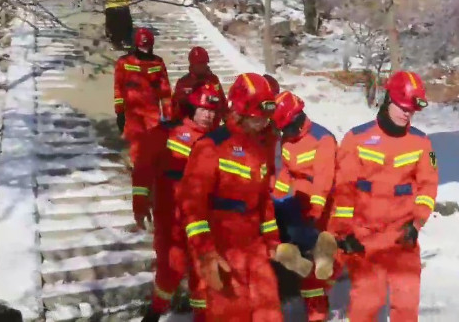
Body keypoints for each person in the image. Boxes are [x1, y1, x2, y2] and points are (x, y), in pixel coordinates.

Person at [177, 73, 312, 321]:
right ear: (240, 111)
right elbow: (192, 205)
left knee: (269, 310)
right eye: (257, 118)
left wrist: (272, 242)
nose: (263, 124)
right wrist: (205, 251)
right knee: (230, 313)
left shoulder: (258, 149)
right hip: (222, 246)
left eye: (265, 119)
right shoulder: (211, 146)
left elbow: (264, 204)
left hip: (254, 246)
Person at [328, 71, 439, 322]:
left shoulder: (421, 143)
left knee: (406, 304)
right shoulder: (357, 139)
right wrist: (343, 232)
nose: (406, 113)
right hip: (365, 236)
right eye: (402, 106)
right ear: (389, 99)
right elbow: (344, 188)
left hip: (403, 237)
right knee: (366, 303)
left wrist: (417, 223)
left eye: (411, 109)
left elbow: (428, 187)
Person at [132, 83, 222, 322]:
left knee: (202, 275)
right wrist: (140, 200)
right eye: (203, 109)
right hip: (169, 216)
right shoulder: (168, 132)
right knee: (171, 269)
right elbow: (143, 164)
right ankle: (154, 314)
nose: (208, 115)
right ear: (192, 108)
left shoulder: (218, 141)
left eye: (212, 111)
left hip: (202, 220)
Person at [270, 91, 341, 322]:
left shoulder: (323, 139)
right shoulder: (287, 139)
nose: (286, 134)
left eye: (288, 128)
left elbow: (324, 179)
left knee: (321, 256)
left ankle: (318, 308)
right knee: (304, 252)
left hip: (324, 204)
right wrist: (277, 199)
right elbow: (286, 173)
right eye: (283, 130)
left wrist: (316, 211)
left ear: (298, 119)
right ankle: (312, 303)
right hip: (299, 201)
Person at [114, 28, 172, 164]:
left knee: (154, 142)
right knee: (136, 142)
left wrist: (169, 115)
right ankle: (138, 171)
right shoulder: (124, 62)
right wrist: (120, 112)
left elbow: (165, 91)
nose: (145, 49)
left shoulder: (158, 63)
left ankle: (150, 171)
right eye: (142, 46)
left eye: (147, 46)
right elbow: (118, 88)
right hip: (132, 110)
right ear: (136, 45)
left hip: (152, 111)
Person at [172, 46, 227, 127]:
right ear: (192, 64)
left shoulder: (213, 80)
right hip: (190, 127)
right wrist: (185, 95)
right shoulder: (183, 82)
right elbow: (175, 105)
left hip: (211, 126)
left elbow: (221, 101)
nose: (201, 66)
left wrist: (226, 119)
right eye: (198, 64)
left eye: (203, 63)